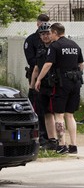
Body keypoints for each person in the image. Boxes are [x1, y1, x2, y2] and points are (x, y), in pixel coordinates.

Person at [35, 23, 84, 154]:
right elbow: (81, 64)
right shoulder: (74, 45)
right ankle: (73, 145)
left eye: (50, 33)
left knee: (59, 115)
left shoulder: (55, 46)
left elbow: (48, 64)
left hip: (62, 83)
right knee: (70, 115)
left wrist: (39, 79)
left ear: (55, 32)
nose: (49, 35)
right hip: (76, 82)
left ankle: (62, 145)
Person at [29, 22, 57, 150]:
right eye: (42, 34)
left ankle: (54, 139)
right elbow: (36, 68)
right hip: (41, 86)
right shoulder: (40, 49)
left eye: (47, 33)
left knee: (53, 113)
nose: (45, 36)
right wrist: (32, 85)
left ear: (51, 34)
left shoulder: (55, 48)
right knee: (41, 112)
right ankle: (43, 138)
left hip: (52, 85)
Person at [23, 14, 50, 146]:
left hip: (49, 78)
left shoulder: (51, 40)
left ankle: (48, 134)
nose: (43, 26)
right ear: (37, 23)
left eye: (46, 23)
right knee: (36, 106)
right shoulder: (31, 40)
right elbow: (32, 61)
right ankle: (39, 133)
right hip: (35, 76)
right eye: (42, 23)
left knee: (48, 109)